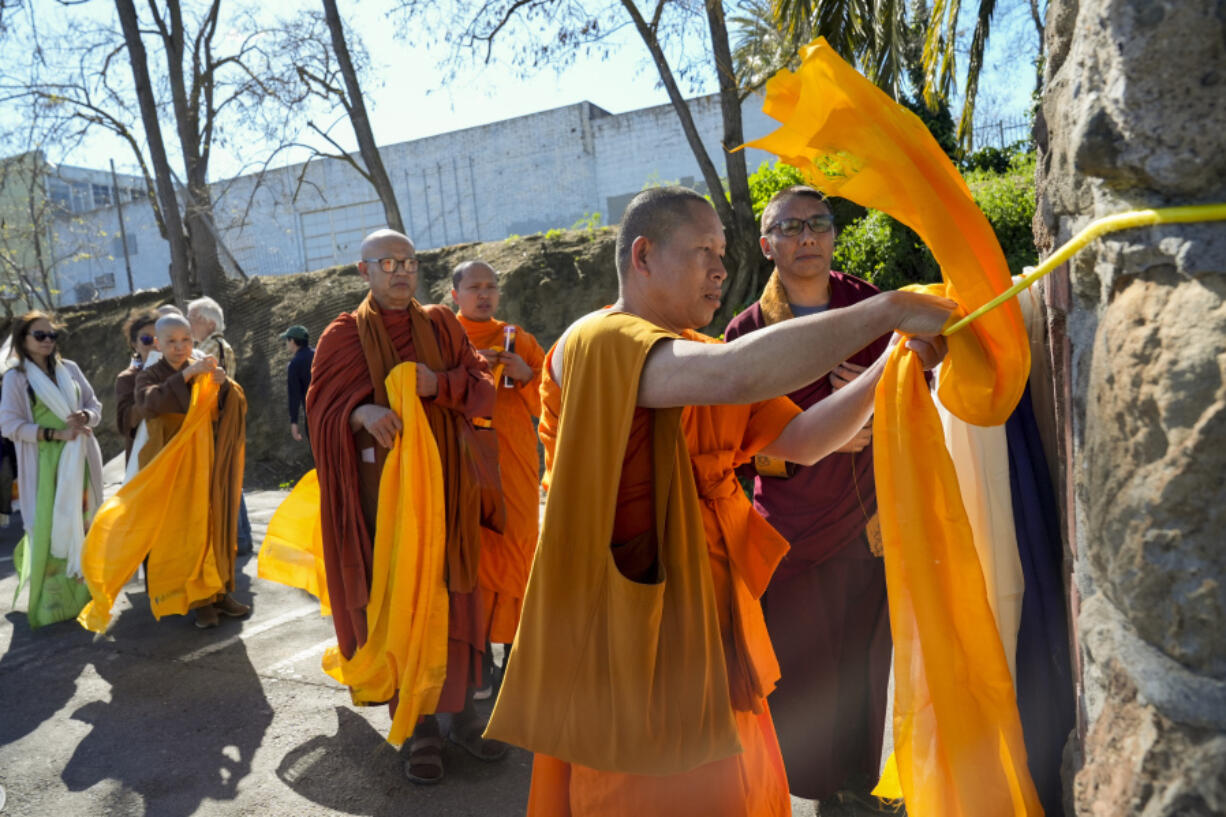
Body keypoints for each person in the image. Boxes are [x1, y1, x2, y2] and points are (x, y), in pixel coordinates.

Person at [485, 186, 953, 817]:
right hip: (629, 630)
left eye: (724, 252)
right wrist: (888, 311)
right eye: (704, 249)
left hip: (715, 619)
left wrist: (891, 362)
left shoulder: (696, 355)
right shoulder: (596, 342)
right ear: (644, 255)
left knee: (739, 789)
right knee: (654, 793)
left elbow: (807, 439)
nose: (721, 268)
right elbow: (737, 374)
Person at [307, 229, 501, 785]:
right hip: (383, 502)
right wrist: (360, 415)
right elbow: (319, 411)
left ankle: (463, 716)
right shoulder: (342, 335)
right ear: (363, 271)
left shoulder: (442, 322)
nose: (400, 271)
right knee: (401, 600)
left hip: (449, 490)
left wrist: (436, 383)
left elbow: (483, 388)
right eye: (387, 262)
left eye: (409, 261)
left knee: (455, 595)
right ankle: (418, 728)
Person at [723, 186, 894, 809]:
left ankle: (861, 781)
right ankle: (815, 786)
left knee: (864, 654)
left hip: (868, 516)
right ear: (767, 244)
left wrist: (880, 423)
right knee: (803, 663)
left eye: (819, 223)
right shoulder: (746, 331)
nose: (807, 237)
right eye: (790, 227)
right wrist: (813, 441)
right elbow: (736, 444)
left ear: (833, 234)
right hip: (789, 528)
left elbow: (916, 384)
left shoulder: (869, 307)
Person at [451, 260, 545, 662]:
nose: (484, 294)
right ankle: (477, 658)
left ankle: (515, 652)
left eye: (491, 286)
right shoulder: (446, 338)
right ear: (455, 294)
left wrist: (525, 375)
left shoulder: (516, 339)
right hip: (465, 459)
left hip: (514, 459)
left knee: (519, 541)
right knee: (474, 551)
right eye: (474, 287)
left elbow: (553, 404)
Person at [134, 313, 250, 629]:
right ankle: (200, 602)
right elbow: (148, 405)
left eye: (185, 339)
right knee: (188, 534)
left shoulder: (203, 366)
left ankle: (221, 591)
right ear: (157, 343)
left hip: (210, 462)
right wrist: (185, 375)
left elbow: (228, 404)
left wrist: (225, 386)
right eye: (171, 341)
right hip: (176, 469)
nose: (179, 346)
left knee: (217, 527)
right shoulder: (150, 373)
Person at [0, 312, 105, 629]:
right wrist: (55, 434)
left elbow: (96, 407)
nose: (47, 341)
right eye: (39, 335)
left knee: (85, 525)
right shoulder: (16, 379)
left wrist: (85, 416)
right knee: (47, 529)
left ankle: (87, 596)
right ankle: (53, 603)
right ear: (23, 339)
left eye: (52, 335)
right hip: (44, 466)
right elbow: (9, 425)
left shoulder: (69, 369)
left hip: (81, 460)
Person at [187, 296, 252, 555]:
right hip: (222, 421)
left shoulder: (210, 349)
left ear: (208, 323)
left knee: (224, 479)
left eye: (191, 319)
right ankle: (242, 537)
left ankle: (240, 538)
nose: (188, 325)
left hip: (216, 422)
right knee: (229, 477)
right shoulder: (217, 345)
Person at [114, 308, 160, 465]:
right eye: (147, 340)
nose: (154, 345)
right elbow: (125, 424)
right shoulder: (127, 379)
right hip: (144, 459)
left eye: (159, 338)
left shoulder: (181, 371)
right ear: (134, 344)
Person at [279, 324, 314, 442]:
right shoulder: (319, 354)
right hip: (334, 412)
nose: (286, 344)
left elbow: (294, 396)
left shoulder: (294, 365)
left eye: (287, 340)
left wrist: (294, 422)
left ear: (293, 341)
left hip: (313, 416)